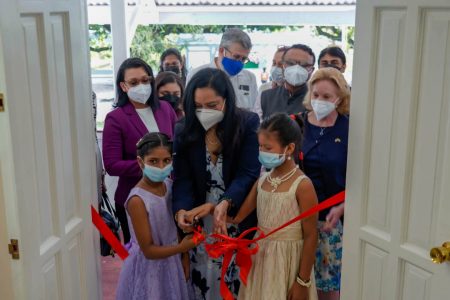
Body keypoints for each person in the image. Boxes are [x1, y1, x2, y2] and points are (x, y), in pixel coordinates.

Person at [172, 68, 261, 299]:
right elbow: (182, 180)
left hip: (235, 213)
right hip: (200, 219)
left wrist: (225, 201)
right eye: (198, 105)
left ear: (227, 101)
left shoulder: (247, 123)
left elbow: (248, 173)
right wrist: (181, 210)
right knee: (203, 278)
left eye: (213, 105)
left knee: (235, 282)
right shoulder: (184, 128)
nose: (205, 112)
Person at [231, 113, 318, 300]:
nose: (262, 151)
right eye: (260, 146)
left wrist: (302, 281)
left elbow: (311, 235)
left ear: (289, 148)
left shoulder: (302, 185)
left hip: (288, 262)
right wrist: (211, 209)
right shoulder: (262, 181)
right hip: (260, 259)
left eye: (268, 147)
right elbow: (237, 217)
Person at [102, 58, 178, 244]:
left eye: (145, 80)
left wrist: (168, 167)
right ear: (123, 86)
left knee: (170, 249)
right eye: (134, 82)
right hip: (134, 198)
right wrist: (149, 168)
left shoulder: (166, 109)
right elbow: (112, 165)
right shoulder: (116, 118)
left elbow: (177, 146)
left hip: (168, 195)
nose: (141, 86)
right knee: (141, 255)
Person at [115, 132, 197, 300]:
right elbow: (148, 251)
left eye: (166, 161)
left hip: (174, 262)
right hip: (150, 268)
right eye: (153, 161)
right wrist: (182, 248)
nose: (161, 167)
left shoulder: (170, 185)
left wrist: (185, 256)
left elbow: (177, 225)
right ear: (140, 162)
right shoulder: (137, 200)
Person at [295, 67, 350, 300]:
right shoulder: (296, 125)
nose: (320, 101)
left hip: (333, 222)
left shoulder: (349, 128)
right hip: (298, 219)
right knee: (298, 283)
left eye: (327, 97)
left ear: (339, 99)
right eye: (316, 94)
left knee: (328, 289)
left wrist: (344, 206)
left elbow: (362, 178)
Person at [186, 28, 258, 110]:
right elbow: (189, 110)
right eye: (236, 56)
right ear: (221, 50)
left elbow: (253, 112)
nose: (239, 63)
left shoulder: (249, 78)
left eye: (244, 59)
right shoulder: (195, 75)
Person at [260, 44, 315, 120]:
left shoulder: (316, 100)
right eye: (291, 63)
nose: (296, 69)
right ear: (283, 65)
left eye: (304, 65)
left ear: (312, 70)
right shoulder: (265, 97)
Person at [254, 46, 289, 119]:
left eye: (280, 64)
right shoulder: (264, 88)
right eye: (274, 63)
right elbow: (258, 118)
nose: (275, 68)